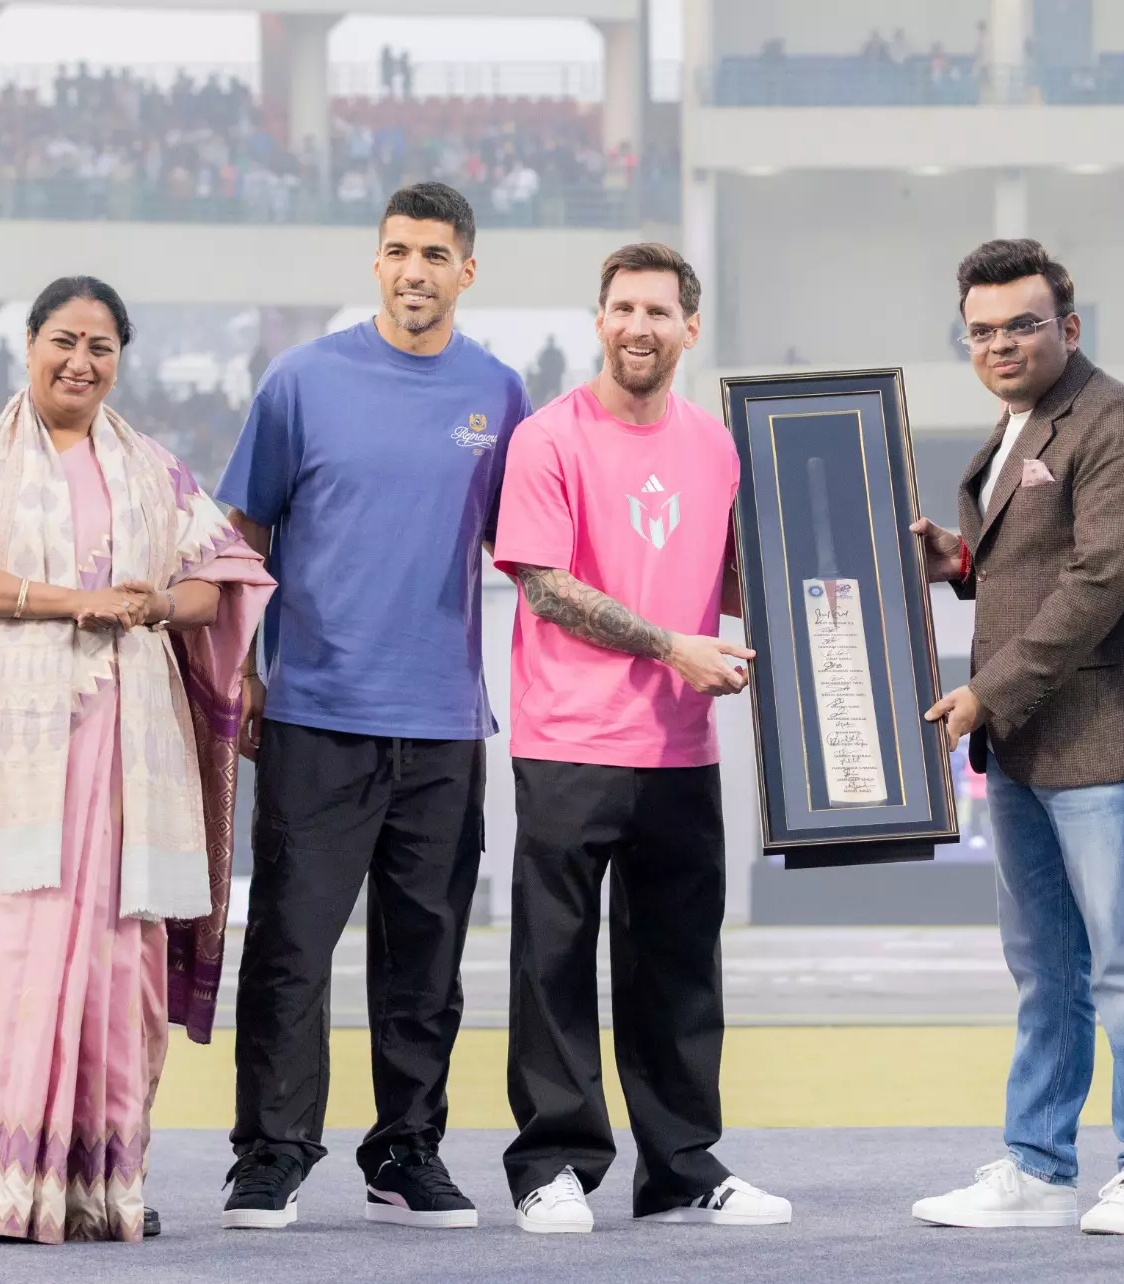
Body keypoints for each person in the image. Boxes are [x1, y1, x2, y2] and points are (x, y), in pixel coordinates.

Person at [0, 275, 272, 1243]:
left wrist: (147, 603)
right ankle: (8, 1183)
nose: (80, 361)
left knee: (125, 955)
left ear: (121, 360)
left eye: (102, 347)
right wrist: (71, 600)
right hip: (23, 747)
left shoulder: (152, 468)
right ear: (28, 344)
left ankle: (101, 1185)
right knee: (21, 940)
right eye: (64, 340)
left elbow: (220, 582)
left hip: (132, 746)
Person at [216, 182, 531, 1231]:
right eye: (398, 250)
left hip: (443, 722)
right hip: (314, 716)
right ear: (377, 261)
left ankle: (405, 1151)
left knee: (425, 962)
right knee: (292, 950)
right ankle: (270, 1154)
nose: (414, 270)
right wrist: (244, 674)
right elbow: (238, 542)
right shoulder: (302, 382)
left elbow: (538, 552)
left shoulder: (501, 394)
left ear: (466, 272)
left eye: (436, 254)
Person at [493, 242, 790, 1233]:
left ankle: (680, 1166)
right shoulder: (547, 439)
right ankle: (552, 1164)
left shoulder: (715, 445)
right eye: (622, 309)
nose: (637, 327)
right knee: (553, 960)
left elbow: (741, 581)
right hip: (570, 741)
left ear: (688, 329)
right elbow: (544, 585)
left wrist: (861, 573)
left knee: (677, 966)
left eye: (658, 312)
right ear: (599, 320)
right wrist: (672, 647)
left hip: (680, 750)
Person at [909, 240, 1124, 1235]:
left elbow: (1101, 579)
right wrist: (962, 563)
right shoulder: (1017, 424)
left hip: (1103, 742)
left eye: (1020, 324)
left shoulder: (1113, 420)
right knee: (1046, 971)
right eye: (980, 330)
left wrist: (984, 693)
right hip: (1026, 748)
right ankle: (1036, 1165)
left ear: (1067, 328)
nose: (999, 343)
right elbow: (1036, 560)